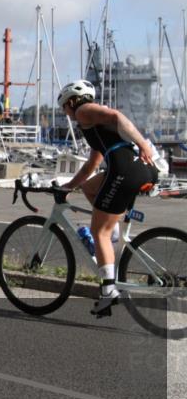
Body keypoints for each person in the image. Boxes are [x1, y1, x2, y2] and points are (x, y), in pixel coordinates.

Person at [57, 80, 159, 316]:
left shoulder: (84, 110)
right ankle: (112, 233)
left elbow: (115, 115)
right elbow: (91, 165)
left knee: (98, 232)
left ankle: (108, 290)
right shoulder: (93, 128)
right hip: (140, 169)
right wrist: (69, 186)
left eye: (64, 107)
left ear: (72, 102)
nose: (66, 113)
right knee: (89, 188)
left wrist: (143, 143)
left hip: (125, 171)